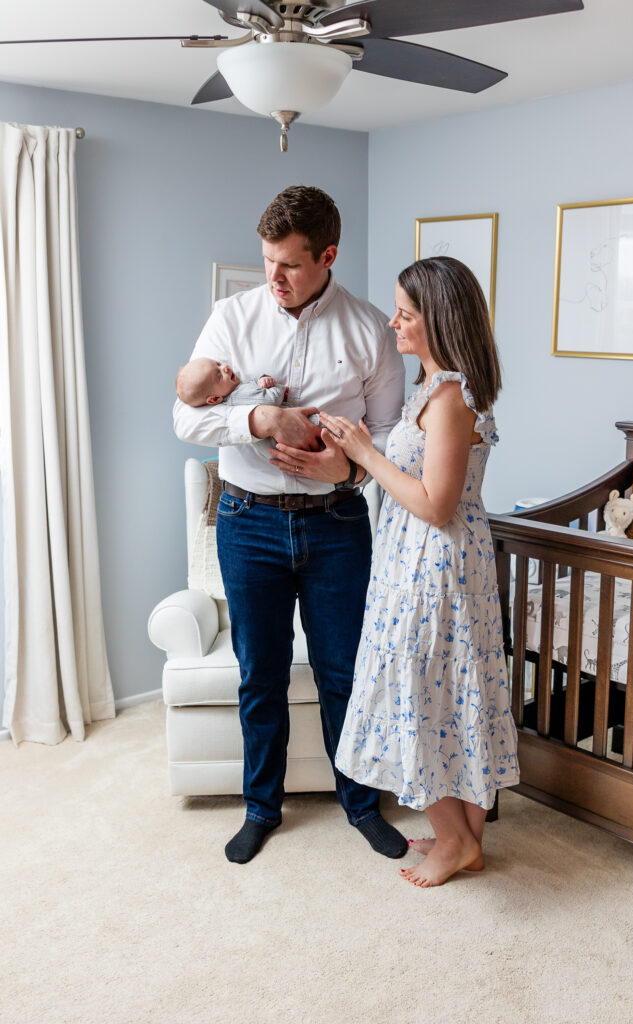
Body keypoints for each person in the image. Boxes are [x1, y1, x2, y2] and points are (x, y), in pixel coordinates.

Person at [173, 185, 406, 865]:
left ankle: (360, 805)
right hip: (246, 523)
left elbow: (390, 435)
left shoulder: (367, 329)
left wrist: (348, 471)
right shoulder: (230, 316)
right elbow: (184, 416)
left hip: (337, 524)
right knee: (259, 674)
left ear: (327, 255)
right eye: (266, 259)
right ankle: (259, 807)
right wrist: (256, 419)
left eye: (288, 265)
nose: (271, 277)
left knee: (343, 673)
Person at [322, 256, 520, 888]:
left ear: (438, 319)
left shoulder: (451, 396)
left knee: (413, 693)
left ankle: (456, 842)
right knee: (447, 696)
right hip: (424, 562)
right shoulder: (436, 389)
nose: (393, 323)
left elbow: (436, 504)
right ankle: (466, 839)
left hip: (435, 569)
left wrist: (365, 455)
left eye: (405, 314)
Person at [175, 357, 285, 409]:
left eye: (218, 364)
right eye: (219, 375)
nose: (225, 367)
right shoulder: (238, 396)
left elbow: (254, 386)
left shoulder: (237, 389)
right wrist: (278, 388)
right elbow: (272, 399)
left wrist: (263, 379)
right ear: (215, 399)